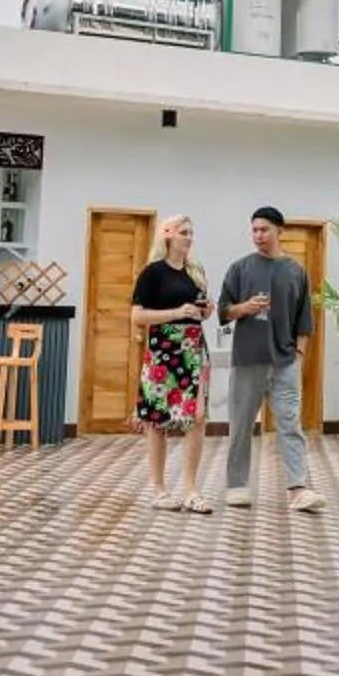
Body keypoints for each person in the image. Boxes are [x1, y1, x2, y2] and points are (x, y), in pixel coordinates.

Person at [220, 205, 324, 514]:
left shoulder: (296, 271)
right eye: (254, 230)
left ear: (280, 231)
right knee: (240, 426)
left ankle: (299, 490)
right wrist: (246, 308)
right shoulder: (240, 268)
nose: (258, 235)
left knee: (290, 424)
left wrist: (299, 355)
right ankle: (237, 486)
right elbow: (224, 312)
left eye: (264, 229)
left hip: (285, 363)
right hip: (247, 359)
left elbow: (305, 320)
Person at [130, 215, 214, 512]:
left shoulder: (195, 271)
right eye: (183, 232)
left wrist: (205, 312)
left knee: (198, 416)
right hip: (162, 350)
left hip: (192, 348)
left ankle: (191, 489)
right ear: (168, 235)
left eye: (191, 232)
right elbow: (137, 316)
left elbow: (200, 311)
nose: (188, 238)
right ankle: (158, 489)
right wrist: (176, 312)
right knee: (157, 419)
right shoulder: (152, 273)